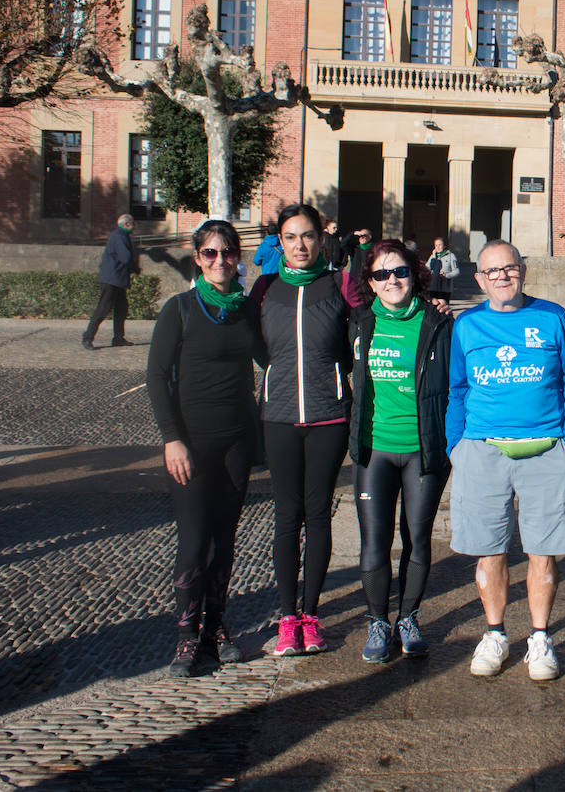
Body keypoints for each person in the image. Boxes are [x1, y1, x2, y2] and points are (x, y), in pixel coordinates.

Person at [446, 240, 565, 680]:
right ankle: (495, 634)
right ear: (480, 279)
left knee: (544, 550)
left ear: (523, 270)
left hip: (546, 449)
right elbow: (457, 389)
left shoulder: (551, 316)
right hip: (482, 449)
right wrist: (457, 445)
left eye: (510, 268)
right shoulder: (466, 325)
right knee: (489, 549)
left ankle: (540, 638)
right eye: (493, 271)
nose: (503, 276)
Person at [146, 220, 265, 678]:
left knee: (224, 541)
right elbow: (157, 377)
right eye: (210, 253)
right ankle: (185, 634)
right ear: (197, 258)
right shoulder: (179, 310)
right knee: (193, 543)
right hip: (191, 445)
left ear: (237, 257)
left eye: (227, 252)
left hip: (237, 442)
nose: (220, 261)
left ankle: (216, 627)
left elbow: (275, 356)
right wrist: (171, 438)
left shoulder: (245, 310)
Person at [253, 203, 363, 657]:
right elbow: (255, 344)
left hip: (328, 415)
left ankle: (312, 615)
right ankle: (287, 617)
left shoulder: (339, 282)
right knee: (285, 516)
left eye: (308, 236)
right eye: (291, 237)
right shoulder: (264, 287)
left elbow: (374, 320)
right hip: (278, 416)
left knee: (317, 515)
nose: (300, 245)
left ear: (322, 239)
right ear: (280, 242)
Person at [348, 239, 453, 664]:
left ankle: (408, 617)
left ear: (415, 273)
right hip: (375, 449)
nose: (392, 280)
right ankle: (378, 620)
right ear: (370, 283)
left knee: (418, 538)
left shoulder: (438, 322)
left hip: (422, 449)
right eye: (381, 274)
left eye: (400, 271)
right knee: (375, 542)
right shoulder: (357, 322)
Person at [83, 214, 138, 349]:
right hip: (112, 280)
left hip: (116, 279)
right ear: (127, 224)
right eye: (132, 224)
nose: (134, 227)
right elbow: (125, 257)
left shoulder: (119, 235)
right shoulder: (120, 236)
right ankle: (87, 338)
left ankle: (118, 338)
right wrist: (135, 268)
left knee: (121, 309)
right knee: (103, 309)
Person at [426, 236, 461, 302]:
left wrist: (446, 275)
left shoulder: (451, 256)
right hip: (433, 287)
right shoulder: (432, 256)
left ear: (444, 246)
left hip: (445, 288)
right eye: (436, 245)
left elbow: (456, 271)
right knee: (433, 308)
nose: (438, 247)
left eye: (440, 245)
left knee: (443, 308)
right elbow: (426, 268)